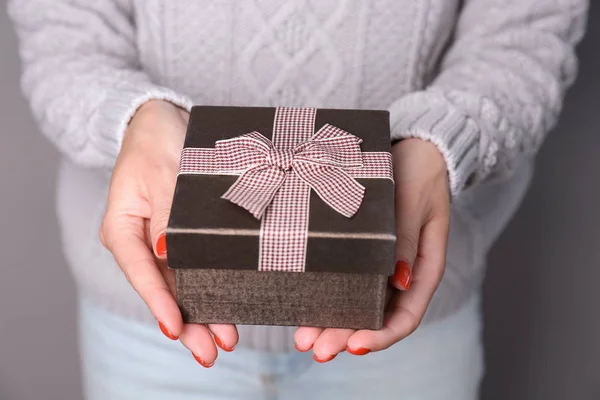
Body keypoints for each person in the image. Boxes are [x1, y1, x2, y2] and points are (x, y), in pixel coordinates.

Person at [7, 1, 588, 399]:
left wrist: (442, 140)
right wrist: (129, 117)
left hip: (405, 317)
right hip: (151, 315)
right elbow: (65, 29)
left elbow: (526, 32)